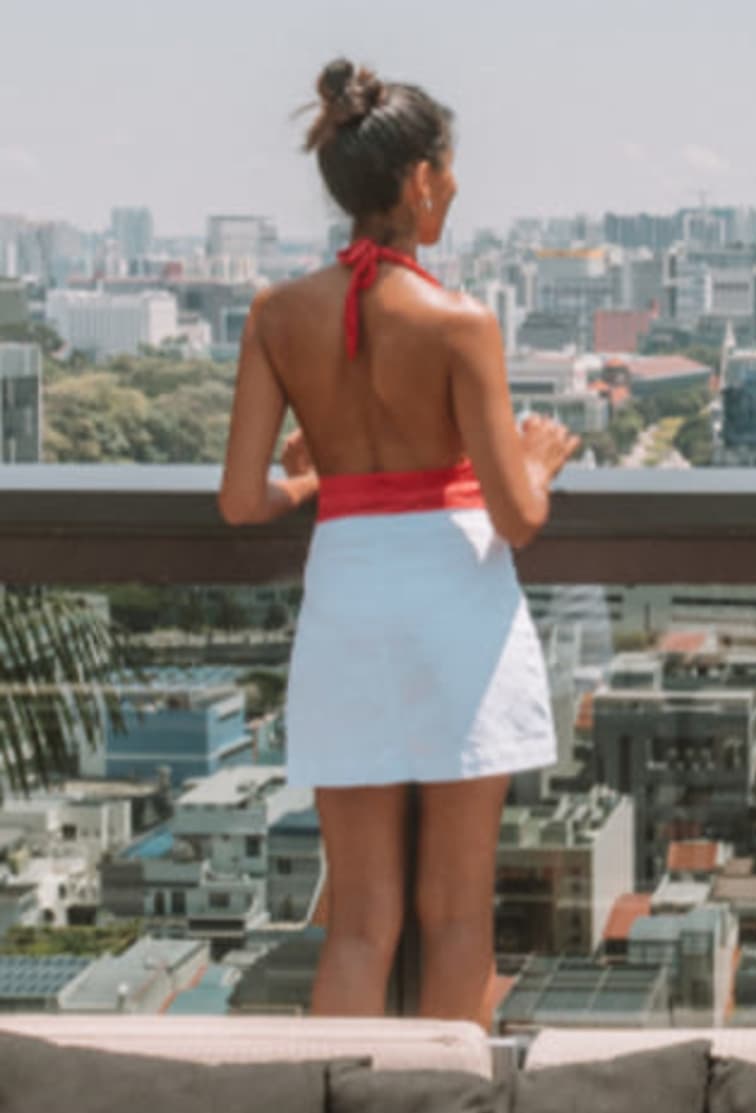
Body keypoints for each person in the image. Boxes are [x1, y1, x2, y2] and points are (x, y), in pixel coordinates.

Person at [218, 59, 579, 1027]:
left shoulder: (276, 315)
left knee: (359, 919)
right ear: (419, 179)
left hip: (348, 602)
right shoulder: (462, 321)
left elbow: (242, 502)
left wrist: (315, 475)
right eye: (449, 172)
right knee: (457, 912)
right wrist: (538, 462)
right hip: (455, 606)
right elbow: (516, 518)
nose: (454, 189)